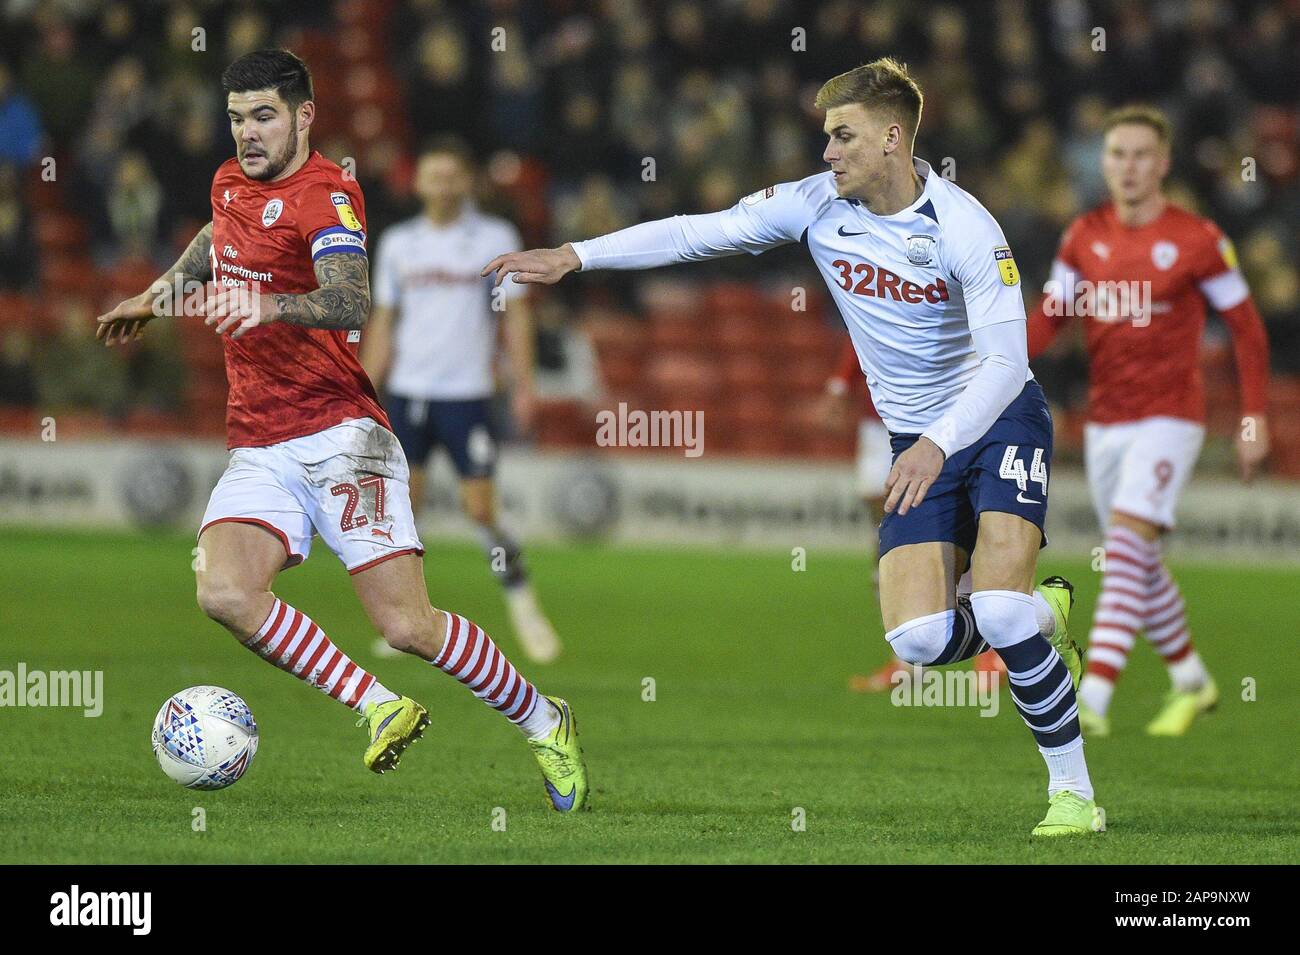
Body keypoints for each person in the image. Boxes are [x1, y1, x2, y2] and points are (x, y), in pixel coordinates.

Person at [486, 58, 1100, 836]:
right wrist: (578, 255)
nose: (828, 153)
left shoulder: (968, 228)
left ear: (891, 137)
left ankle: (1073, 794)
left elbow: (1008, 362)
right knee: (919, 639)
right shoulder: (813, 206)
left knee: (1001, 610)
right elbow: (695, 234)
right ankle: (1049, 612)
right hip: (917, 437)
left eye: (842, 135)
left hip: (996, 418)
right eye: (825, 137)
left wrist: (938, 445)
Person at [94, 49, 588, 812]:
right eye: (235, 118)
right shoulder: (230, 181)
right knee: (224, 590)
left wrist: (271, 307)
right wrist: (158, 293)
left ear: (304, 116)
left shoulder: (329, 195)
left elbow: (352, 298)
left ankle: (543, 717)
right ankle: (377, 703)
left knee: (409, 625)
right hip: (257, 440)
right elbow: (215, 236)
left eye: (263, 116)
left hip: (341, 434)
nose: (247, 134)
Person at [1028, 105, 1270, 738]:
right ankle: (1193, 681)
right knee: (1139, 559)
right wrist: (995, 362)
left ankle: (1094, 698)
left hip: (1171, 417)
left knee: (1128, 544)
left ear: (1162, 164)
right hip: (1106, 419)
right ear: (1102, 162)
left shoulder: (1197, 239)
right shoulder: (1082, 236)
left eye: (1141, 155)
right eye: (1118, 154)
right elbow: (1051, 318)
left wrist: (1253, 419)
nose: (1129, 167)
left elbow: (1247, 329)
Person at [362, 137, 560, 664]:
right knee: (405, 512)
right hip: (409, 392)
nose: (442, 184)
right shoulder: (400, 243)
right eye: (433, 174)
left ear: (467, 182)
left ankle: (521, 600)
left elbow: (515, 314)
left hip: (467, 394)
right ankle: (408, 619)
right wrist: (361, 388)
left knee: (481, 510)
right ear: (418, 181)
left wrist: (524, 385)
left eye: (452, 175)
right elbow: (385, 319)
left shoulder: (494, 237)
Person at [826, 337, 1009, 693]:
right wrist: (839, 382)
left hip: (936, 412)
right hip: (880, 415)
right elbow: (861, 321)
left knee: (956, 526)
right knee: (884, 525)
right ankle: (907, 662)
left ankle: (990, 648)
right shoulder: (873, 284)